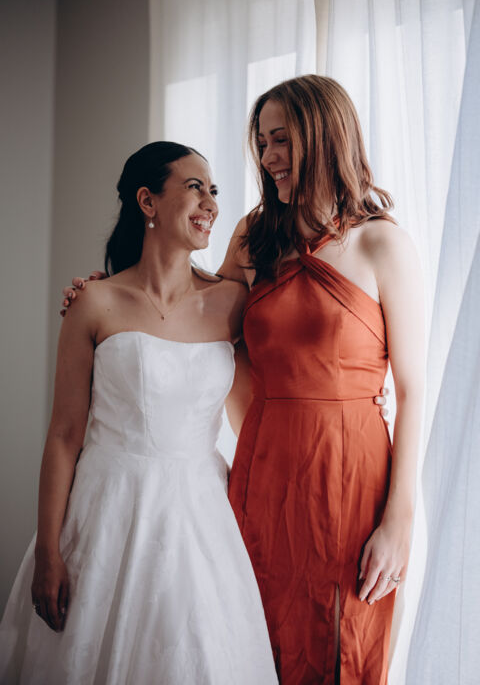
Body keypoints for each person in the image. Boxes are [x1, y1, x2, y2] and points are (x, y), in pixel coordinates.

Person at [0, 142, 278, 684]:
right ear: (148, 201)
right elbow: (64, 436)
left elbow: (270, 396)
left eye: (214, 190)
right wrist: (49, 551)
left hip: (200, 519)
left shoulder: (233, 303)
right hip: (104, 511)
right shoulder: (94, 302)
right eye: (194, 187)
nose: (210, 203)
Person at [217, 75, 425, 684]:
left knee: (343, 649)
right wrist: (111, 292)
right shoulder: (254, 237)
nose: (267, 157)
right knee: (253, 647)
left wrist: (400, 521)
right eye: (262, 142)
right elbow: (197, 322)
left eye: (281, 139)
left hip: (351, 478)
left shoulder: (382, 244)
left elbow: (413, 391)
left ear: (325, 137)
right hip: (263, 473)